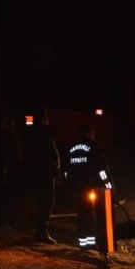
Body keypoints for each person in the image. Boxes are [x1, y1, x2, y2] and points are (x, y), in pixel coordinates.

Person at [64, 123, 113, 254]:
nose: (94, 136)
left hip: (78, 189)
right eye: (93, 133)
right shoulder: (94, 147)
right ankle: (93, 245)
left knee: (82, 216)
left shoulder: (71, 148)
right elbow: (102, 168)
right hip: (94, 189)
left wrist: (69, 186)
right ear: (89, 133)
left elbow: (66, 171)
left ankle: (83, 244)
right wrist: (108, 185)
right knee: (94, 217)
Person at [24, 108, 60, 243]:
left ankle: (41, 231)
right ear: (44, 118)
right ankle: (42, 232)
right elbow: (49, 153)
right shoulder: (44, 132)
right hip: (45, 173)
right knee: (46, 202)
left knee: (41, 202)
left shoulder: (32, 132)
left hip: (39, 171)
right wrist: (55, 170)